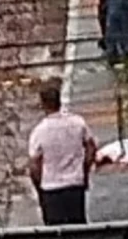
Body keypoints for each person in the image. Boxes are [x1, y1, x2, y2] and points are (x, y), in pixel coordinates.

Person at [28, 80, 97, 225]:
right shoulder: (77, 122)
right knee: (78, 227)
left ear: (43, 104)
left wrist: (39, 187)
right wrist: (84, 169)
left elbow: (34, 166)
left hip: (51, 189)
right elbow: (91, 147)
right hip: (75, 184)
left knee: (55, 231)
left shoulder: (39, 132)